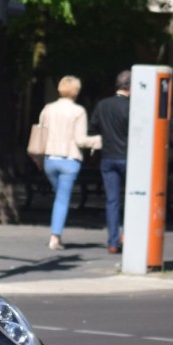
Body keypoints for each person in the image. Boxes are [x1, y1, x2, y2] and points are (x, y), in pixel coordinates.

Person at [38, 75, 102, 251]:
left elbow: (40, 135)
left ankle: (55, 234)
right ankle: (55, 237)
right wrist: (98, 140)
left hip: (50, 159)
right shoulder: (78, 111)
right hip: (69, 160)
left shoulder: (48, 109)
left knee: (58, 195)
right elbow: (80, 140)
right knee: (62, 198)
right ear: (76, 91)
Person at [89, 69, 132, 253]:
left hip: (108, 157)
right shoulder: (131, 107)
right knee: (133, 199)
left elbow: (92, 129)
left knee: (112, 201)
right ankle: (128, 235)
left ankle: (113, 241)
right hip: (128, 157)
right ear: (130, 86)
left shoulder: (103, 105)